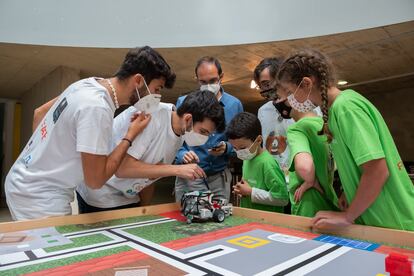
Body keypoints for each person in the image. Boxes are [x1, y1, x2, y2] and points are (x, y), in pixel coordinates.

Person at [6, 46, 176, 220]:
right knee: (54, 247)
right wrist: (129, 136)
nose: (156, 96)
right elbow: (95, 181)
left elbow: (39, 113)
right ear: (139, 80)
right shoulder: (97, 108)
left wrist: (48, 155)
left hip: (23, 178)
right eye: (157, 89)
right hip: (40, 196)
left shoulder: (87, 84)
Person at [276, 49, 414, 231]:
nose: (288, 99)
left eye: (289, 91)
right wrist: (350, 194)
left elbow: (377, 171)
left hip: (393, 220)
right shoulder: (333, 112)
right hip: (375, 219)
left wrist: (347, 216)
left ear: (307, 83)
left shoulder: (346, 108)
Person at [76, 90, 225, 213]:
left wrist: (144, 209)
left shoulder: (179, 134)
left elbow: (152, 173)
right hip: (101, 193)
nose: (204, 138)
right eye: (203, 131)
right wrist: (177, 169)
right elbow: (122, 169)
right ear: (188, 119)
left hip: (129, 196)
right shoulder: (151, 115)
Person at [174, 56, 243, 202]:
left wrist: (227, 148)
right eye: (203, 82)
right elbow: (174, 140)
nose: (208, 85)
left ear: (221, 77)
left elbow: (241, 143)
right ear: (196, 79)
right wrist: (182, 155)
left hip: (219, 176)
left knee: (219, 218)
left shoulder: (234, 105)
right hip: (190, 174)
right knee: (192, 217)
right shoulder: (183, 102)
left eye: (212, 81)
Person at [281, 97, 339, 217]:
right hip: (327, 199)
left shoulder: (297, 128)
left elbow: (305, 168)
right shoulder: (325, 125)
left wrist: (309, 181)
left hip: (307, 201)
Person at [227, 112, 289, 212]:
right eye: (235, 148)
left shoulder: (267, 163)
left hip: (266, 222)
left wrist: (251, 192)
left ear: (259, 140)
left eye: (242, 148)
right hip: (250, 218)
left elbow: (282, 198)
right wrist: (242, 189)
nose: (239, 152)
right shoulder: (248, 158)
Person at [254, 58, 294, 170]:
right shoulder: (263, 111)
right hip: (273, 171)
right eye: (264, 84)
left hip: (297, 171)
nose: (270, 87)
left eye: (272, 82)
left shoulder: (301, 105)